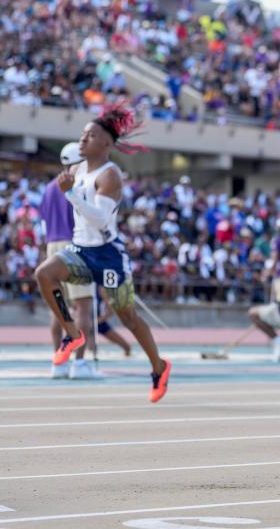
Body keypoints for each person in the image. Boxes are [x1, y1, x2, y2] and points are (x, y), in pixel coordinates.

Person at [34, 103, 172, 402]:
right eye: (82, 135)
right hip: (81, 251)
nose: (82, 140)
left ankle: (159, 367)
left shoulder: (111, 176)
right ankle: (73, 334)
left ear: (106, 143)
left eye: (90, 135)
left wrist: (70, 194)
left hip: (108, 256)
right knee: (44, 274)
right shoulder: (76, 169)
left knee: (129, 318)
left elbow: (99, 218)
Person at [39, 146, 98, 380]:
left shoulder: (47, 189)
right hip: (76, 244)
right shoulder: (79, 184)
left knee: (58, 307)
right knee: (82, 306)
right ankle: (80, 363)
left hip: (52, 245)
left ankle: (59, 362)